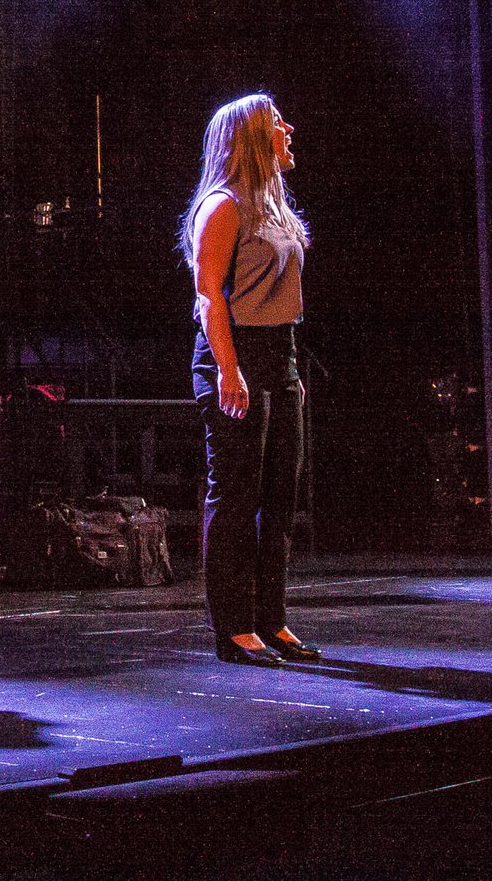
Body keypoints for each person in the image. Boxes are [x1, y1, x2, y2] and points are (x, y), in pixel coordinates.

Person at [182, 94, 321, 666]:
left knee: (280, 497)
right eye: (277, 123)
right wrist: (228, 370)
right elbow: (209, 295)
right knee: (237, 495)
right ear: (252, 138)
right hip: (234, 352)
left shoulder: (274, 205)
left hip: (280, 354)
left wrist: (290, 372)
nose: (289, 129)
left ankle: (272, 620)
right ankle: (235, 627)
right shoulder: (224, 205)